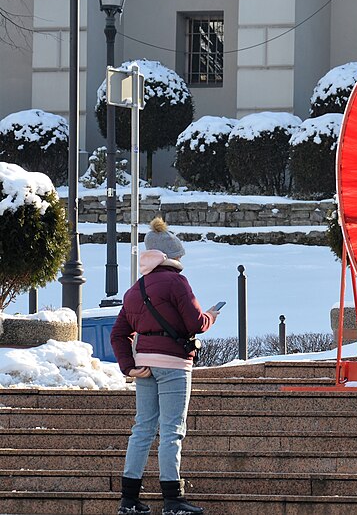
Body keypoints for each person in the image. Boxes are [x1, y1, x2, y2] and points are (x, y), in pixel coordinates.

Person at [111, 217, 220, 515]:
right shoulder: (177, 282)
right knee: (172, 430)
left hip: (145, 365)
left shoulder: (136, 289)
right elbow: (195, 323)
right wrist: (211, 316)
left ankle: (129, 499)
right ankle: (173, 499)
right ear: (171, 257)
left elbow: (118, 333)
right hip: (173, 364)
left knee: (143, 428)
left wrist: (129, 367)